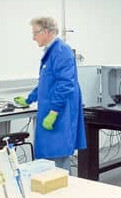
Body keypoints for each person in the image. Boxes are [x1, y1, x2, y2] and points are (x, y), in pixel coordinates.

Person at [14, 17, 86, 172]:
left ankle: (64, 192)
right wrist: (29, 99)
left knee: (58, 157)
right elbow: (46, 83)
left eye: (35, 33)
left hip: (60, 113)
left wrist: (53, 112)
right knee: (48, 158)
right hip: (52, 110)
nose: (33, 38)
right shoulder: (51, 51)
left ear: (46, 31)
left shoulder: (62, 51)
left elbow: (66, 84)